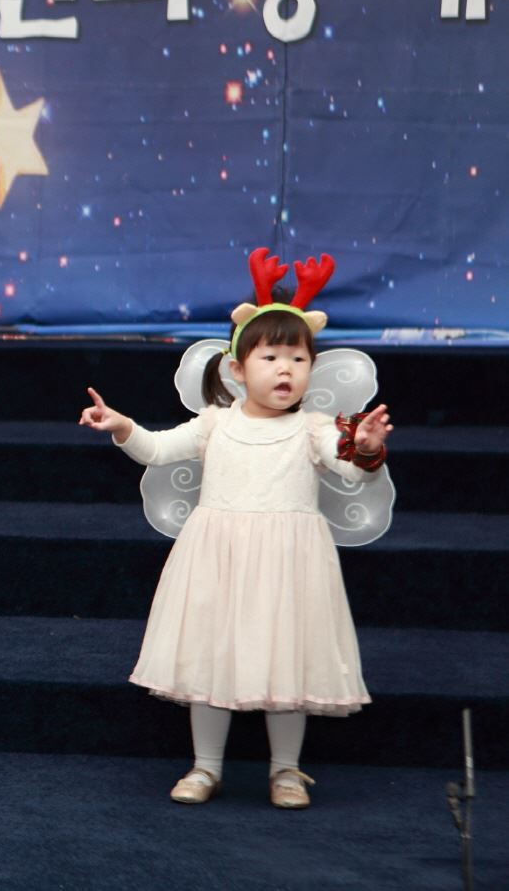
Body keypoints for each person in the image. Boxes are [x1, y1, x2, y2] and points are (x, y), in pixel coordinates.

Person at [79, 249, 392, 809]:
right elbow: (156, 449)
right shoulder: (215, 424)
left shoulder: (315, 429)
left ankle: (286, 770)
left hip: (289, 565)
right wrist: (122, 425)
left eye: (297, 358)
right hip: (218, 560)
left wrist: (365, 448)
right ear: (237, 368)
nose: (285, 369)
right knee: (210, 658)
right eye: (270, 356)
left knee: (288, 662)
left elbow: (349, 468)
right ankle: (206, 766)